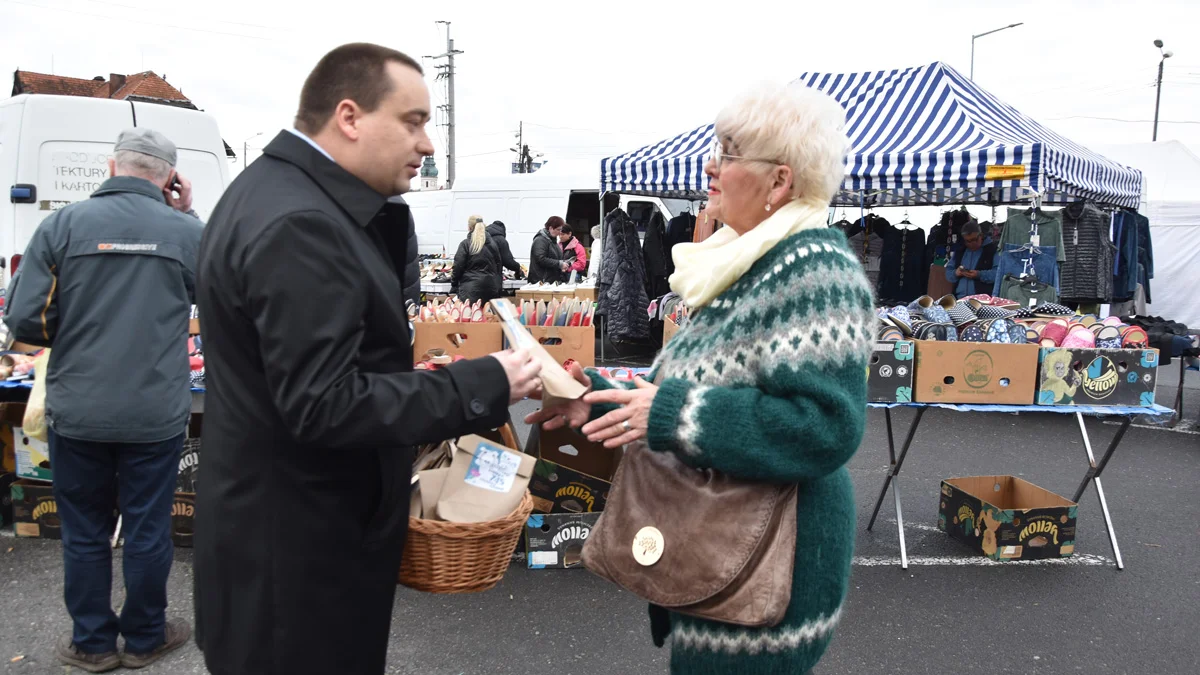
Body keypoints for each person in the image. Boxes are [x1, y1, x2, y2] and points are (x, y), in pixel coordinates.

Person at [192, 43, 542, 675]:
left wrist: (407, 383)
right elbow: (322, 405)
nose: (428, 143)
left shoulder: (285, 197)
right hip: (298, 568)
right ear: (349, 118)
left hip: (286, 549)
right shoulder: (301, 222)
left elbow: (302, 377)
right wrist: (482, 381)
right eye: (412, 120)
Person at [529, 82, 873, 675]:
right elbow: (694, 387)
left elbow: (824, 427)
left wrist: (667, 415)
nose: (711, 165)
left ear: (779, 181)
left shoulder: (815, 271)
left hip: (770, 562)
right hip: (725, 545)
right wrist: (594, 400)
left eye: (730, 151)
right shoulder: (745, 261)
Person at [4, 128, 202, 672]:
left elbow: (26, 321)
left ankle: (91, 644)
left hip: (79, 408)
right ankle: (144, 638)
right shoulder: (186, 233)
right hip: (153, 414)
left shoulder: (61, 226)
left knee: (85, 528)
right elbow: (223, 298)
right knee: (146, 525)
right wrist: (187, 214)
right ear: (169, 179)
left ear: (111, 169)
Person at [451, 215, 502, 303]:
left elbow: (458, 266)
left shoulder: (466, 244)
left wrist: (454, 284)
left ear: (469, 227)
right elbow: (498, 266)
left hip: (470, 289)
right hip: (491, 289)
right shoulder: (493, 244)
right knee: (487, 316)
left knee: (471, 315)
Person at [945, 220, 997, 299]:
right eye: (968, 241)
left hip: (983, 301)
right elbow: (948, 272)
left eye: (974, 239)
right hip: (960, 299)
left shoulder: (992, 250)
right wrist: (956, 273)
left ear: (981, 235)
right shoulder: (960, 251)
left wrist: (979, 275)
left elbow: (997, 274)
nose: (971, 244)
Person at [527, 215, 569, 283]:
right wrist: (559, 264)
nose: (559, 233)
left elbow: (555, 259)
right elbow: (540, 259)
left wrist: (563, 264)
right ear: (551, 228)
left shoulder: (553, 242)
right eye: (558, 229)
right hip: (540, 282)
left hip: (550, 282)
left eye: (561, 230)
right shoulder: (540, 240)